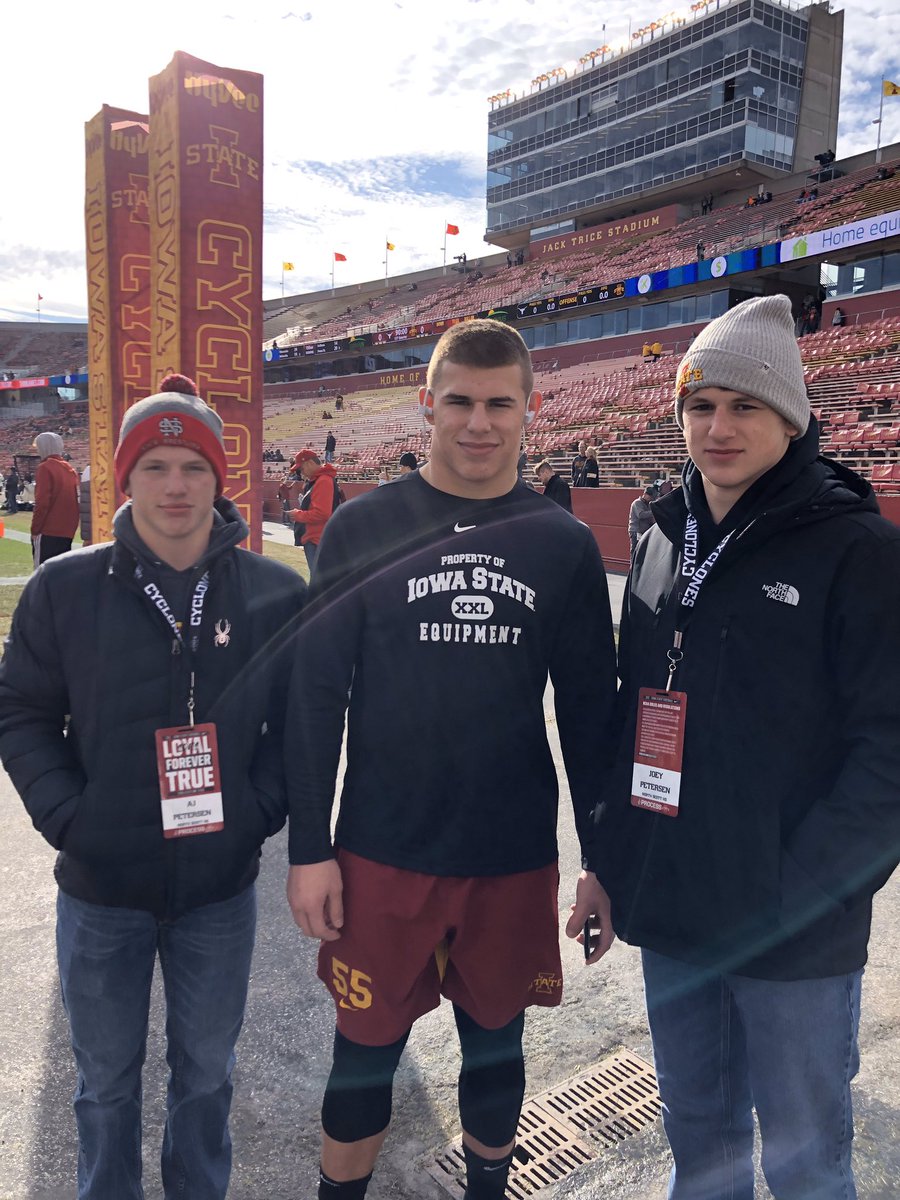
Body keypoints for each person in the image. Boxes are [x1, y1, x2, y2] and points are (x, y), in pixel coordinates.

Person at [286, 319, 617, 1200]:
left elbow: (589, 715)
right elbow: (315, 697)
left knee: (498, 1046)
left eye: (499, 403)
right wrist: (307, 848)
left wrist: (600, 862)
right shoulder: (362, 527)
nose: (479, 422)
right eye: (460, 402)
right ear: (427, 405)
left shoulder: (562, 544)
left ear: (530, 410)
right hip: (381, 849)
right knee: (361, 1057)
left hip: (507, 852)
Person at [590, 295, 900, 1200]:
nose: (717, 427)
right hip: (676, 909)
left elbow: (889, 750)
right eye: (700, 405)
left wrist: (804, 889)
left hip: (793, 928)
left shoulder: (859, 551)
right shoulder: (656, 535)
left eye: (744, 406)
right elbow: (632, 711)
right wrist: (608, 860)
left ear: (791, 417)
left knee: (806, 1158)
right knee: (698, 1135)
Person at [0, 373, 306, 1200]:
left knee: (207, 1077)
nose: (175, 485)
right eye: (155, 467)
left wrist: (253, 814)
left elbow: (302, 730)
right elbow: (21, 712)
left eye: (193, 467)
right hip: (102, 891)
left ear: (220, 478)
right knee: (104, 1087)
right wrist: (71, 816)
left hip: (218, 888)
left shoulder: (276, 594)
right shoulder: (63, 590)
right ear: (124, 479)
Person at [30, 431, 80, 566]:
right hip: (67, 531)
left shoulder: (45, 468)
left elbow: (42, 503)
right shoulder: (70, 469)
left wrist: (35, 529)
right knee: (60, 575)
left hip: (48, 530)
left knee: (42, 574)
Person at [288, 448, 338, 575]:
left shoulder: (323, 481)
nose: (301, 473)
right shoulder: (319, 480)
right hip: (317, 539)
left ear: (310, 463)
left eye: (301, 469)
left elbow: (321, 513)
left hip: (317, 540)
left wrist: (297, 515)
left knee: (320, 583)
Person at [627, 487, 655, 554]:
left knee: (642, 551)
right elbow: (641, 515)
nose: (651, 498)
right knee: (635, 551)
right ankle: (633, 564)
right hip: (636, 531)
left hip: (643, 531)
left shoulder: (648, 504)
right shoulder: (637, 503)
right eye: (650, 496)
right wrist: (654, 512)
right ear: (645, 494)